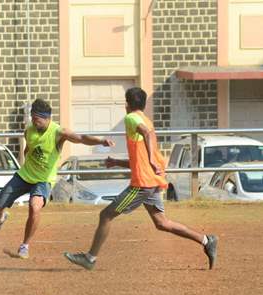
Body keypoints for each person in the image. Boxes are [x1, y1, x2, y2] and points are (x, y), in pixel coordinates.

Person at [64, 87, 218, 270]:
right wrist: (117, 162)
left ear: (127, 104)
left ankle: (90, 258)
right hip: (151, 181)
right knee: (162, 223)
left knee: (105, 215)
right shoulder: (146, 119)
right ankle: (207, 240)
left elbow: (146, 135)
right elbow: (141, 158)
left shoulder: (131, 118)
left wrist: (152, 159)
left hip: (142, 185)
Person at [0, 98, 115, 259]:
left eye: (37, 119)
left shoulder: (58, 132)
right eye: (32, 118)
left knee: (35, 207)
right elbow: (28, 149)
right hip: (24, 175)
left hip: (44, 180)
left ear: (47, 117)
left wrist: (101, 141)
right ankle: (1, 216)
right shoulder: (29, 131)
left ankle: (24, 246)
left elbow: (81, 138)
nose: (34, 122)